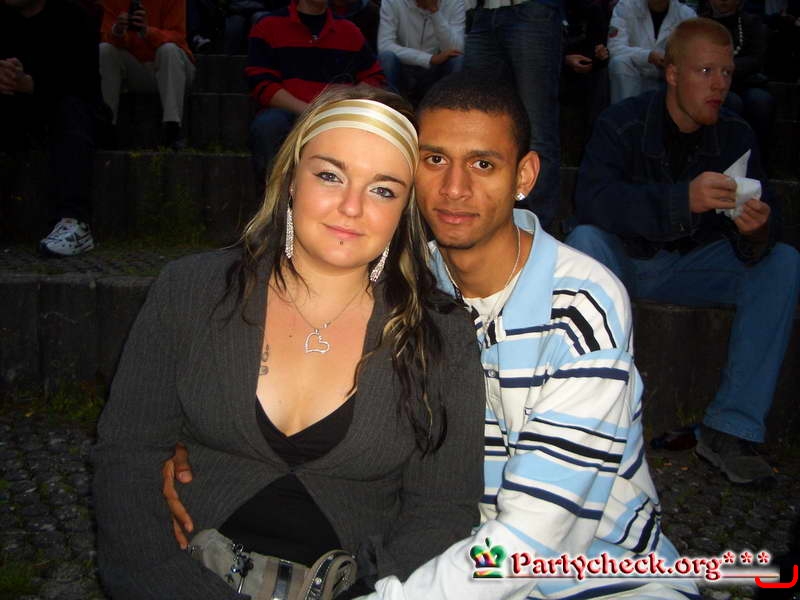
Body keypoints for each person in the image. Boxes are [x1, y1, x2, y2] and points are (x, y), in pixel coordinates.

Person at [165, 72, 698, 599]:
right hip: (443, 559)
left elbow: (533, 538)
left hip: (601, 576)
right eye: (435, 159)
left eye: (483, 164)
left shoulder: (580, 307)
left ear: (524, 176)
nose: (454, 188)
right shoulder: (403, 280)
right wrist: (193, 448)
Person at [91, 86, 486, 599]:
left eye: (383, 190)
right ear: (290, 177)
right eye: (330, 175)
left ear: (405, 208)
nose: (351, 207)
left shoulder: (441, 334)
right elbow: (128, 455)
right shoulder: (191, 291)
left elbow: (441, 511)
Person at [567, 18, 800, 485]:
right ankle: (586, 417)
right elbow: (591, 201)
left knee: (783, 262)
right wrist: (680, 201)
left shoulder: (736, 133)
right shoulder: (623, 123)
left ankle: (730, 430)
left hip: (696, 268)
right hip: (625, 262)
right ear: (672, 74)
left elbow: (767, 221)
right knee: (584, 243)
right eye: (705, 71)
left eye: (726, 73)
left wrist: (758, 231)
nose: (719, 85)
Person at [0, 0, 106, 256]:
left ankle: (74, 222)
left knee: (72, 111)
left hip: (64, 112)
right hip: (14, 112)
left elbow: (83, 83)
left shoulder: (73, 18)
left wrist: (31, 84)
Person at [246, 0, 385, 186]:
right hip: (289, 113)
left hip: (336, 115)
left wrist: (347, 99)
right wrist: (310, 111)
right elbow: (261, 84)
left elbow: (375, 78)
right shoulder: (269, 25)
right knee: (268, 125)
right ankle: (273, 197)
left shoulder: (348, 31)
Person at [462, 0, 562, 228]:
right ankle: (479, 217)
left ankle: (535, 230)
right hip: (483, 13)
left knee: (536, 129)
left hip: (532, 9)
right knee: (476, 124)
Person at [99, 0, 196, 149]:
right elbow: (105, 36)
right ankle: (106, 127)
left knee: (169, 49)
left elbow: (178, 36)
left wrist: (147, 31)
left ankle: (172, 128)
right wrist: (117, 31)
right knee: (104, 50)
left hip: (173, 69)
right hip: (136, 69)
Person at [702, 0, 776, 166]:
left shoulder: (752, 22)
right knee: (730, 102)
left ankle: (758, 163)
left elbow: (756, 58)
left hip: (746, 82)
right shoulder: (701, 24)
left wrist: (727, 68)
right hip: (711, 84)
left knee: (761, 102)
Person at [607, 0, 696, 104]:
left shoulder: (686, 15)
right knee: (619, 62)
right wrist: (648, 56)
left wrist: (671, 60)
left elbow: (693, 54)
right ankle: (624, 111)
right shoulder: (625, 6)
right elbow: (615, 48)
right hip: (634, 75)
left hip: (668, 79)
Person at [377, 0, 464, 104]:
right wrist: (429, 59)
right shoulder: (393, 2)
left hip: (434, 71)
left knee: (457, 59)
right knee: (386, 58)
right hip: (403, 66)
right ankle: (391, 105)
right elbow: (384, 45)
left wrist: (435, 12)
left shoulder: (454, 2)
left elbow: (456, 49)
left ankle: (447, 107)